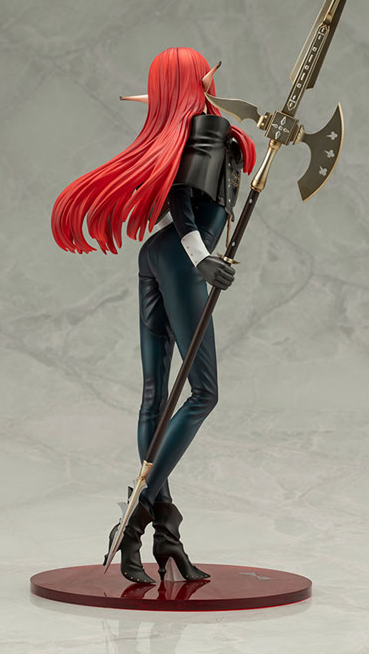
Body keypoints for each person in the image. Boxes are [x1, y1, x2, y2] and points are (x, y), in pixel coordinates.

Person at [51, 47, 256, 583]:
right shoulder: (210, 128)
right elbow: (184, 198)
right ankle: (135, 518)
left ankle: (167, 535)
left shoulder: (182, 132)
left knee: (155, 398)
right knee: (203, 393)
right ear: (198, 82)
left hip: (155, 256)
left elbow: (181, 195)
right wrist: (202, 257)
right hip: (182, 260)